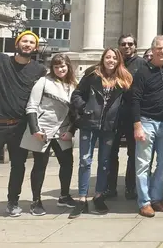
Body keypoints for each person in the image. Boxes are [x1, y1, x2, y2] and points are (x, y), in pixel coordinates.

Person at [0, 31, 46, 220]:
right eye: (24, 41)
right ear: (17, 44)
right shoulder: (2, 60)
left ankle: (13, 202)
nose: (27, 44)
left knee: (18, 166)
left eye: (31, 42)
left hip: (20, 126)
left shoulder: (39, 70)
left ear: (36, 47)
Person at [70, 48, 132, 218]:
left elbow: (129, 103)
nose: (111, 60)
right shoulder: (92, 75)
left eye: (114, 58)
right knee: (85, 161)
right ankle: (82, 198)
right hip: (89, 123)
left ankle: (98, 196)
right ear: (103, 59)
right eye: (108, 57)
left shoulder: (124, 79)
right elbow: (76, 95)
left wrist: (120, 119)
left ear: (118, 61)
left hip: (109, 127)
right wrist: (85, 108)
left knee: (104, 162)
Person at [20, 53, 77, 216]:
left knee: (67, 163)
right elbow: (31, 106)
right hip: (43, 129)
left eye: (63, 66)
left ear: (68, 66)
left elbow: (75, 112)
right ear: (52, 68)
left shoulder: (74, 84)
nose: (60, 69)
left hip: (63, 130)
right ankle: (36, 201)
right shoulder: (43, 81)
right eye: (56, 66)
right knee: (40, 165)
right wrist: (35, 129)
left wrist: (71, 130)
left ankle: (64, 196)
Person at [132, 35, 163, 217]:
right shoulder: (142, 72)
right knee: (143, 164)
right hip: (146, 121)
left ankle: (156, 198)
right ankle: (144, 202)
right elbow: (135, 100)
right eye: (159, 48)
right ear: (152, 50)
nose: (162, 51)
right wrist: (137, 125)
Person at [106, 34, 145, 200]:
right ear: (119, 46)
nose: (127, 47)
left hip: (132, 115)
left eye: (130, 44)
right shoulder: (113, 63)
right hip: (113, 115)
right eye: (123, 44)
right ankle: (110, 187)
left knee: (134, 153)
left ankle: (131, 187)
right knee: (110, 152)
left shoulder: (142, 64)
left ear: (135, 46)